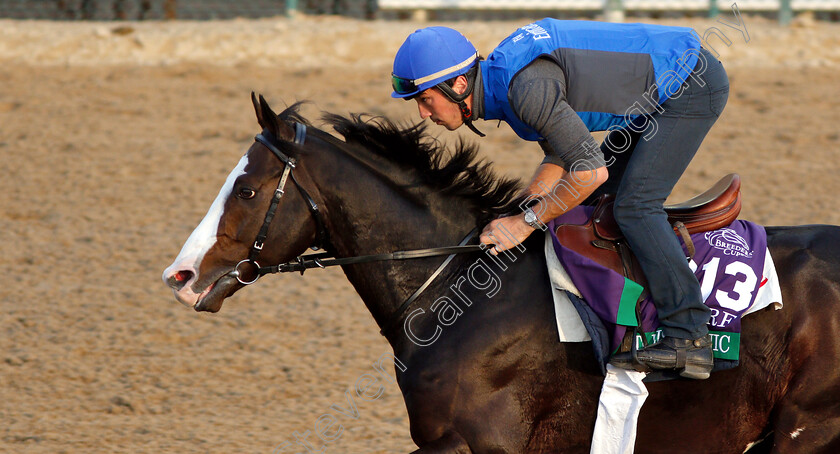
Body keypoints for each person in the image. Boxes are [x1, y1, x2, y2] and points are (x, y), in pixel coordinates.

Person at [390, 19, 730, 380]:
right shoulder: (508, 82)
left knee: (634, 207)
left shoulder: (525, 90)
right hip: (655, 89)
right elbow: (559, 153)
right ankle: (630, 321)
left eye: (426, 99)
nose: (424, 114)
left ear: (459, 85)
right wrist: (525, 204)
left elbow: (588, 172)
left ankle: (690, 337)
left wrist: (524, 224)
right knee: (592, 206)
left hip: (690, 84)